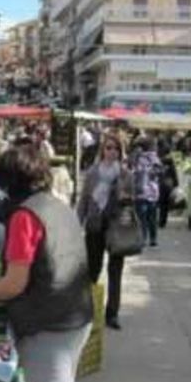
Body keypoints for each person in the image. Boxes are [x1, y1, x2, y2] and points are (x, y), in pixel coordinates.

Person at [0, 147, 93, 382]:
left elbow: (15, 283)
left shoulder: (24, 216)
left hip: (48, 324)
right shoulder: (58, 205)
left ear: (10, 183)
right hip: (76, 315)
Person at [77, 134, 130, 330]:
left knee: (115, 272)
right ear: (102, 150)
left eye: (116, 148)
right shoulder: (92, 173)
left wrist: (124, 195)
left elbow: (132, 201)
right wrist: (78, 223)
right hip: (95, 225)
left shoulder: (125, 174)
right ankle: (88, 309)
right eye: (108, 148)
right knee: (92, 270)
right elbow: (84, 200)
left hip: (116, 227)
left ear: (120, 151)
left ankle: (112, 314)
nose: (112, 152)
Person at [131, 137, 162, 247]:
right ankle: (153, 238)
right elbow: (159, 173)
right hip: (152, 192)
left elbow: (133, 173)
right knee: (152, 217)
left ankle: (143, 238)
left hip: (140, 192)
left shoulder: (137, 158)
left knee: (141, 218)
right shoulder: (155, 159)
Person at [158, 146, 179, 229]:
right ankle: (163, 221)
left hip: (161, 184)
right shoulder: (171, 162)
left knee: (162, 204)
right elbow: (174, 174)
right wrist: (176, 185)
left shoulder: (160, 161)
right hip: (169, 185)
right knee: (166, 204)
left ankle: (160, 220)